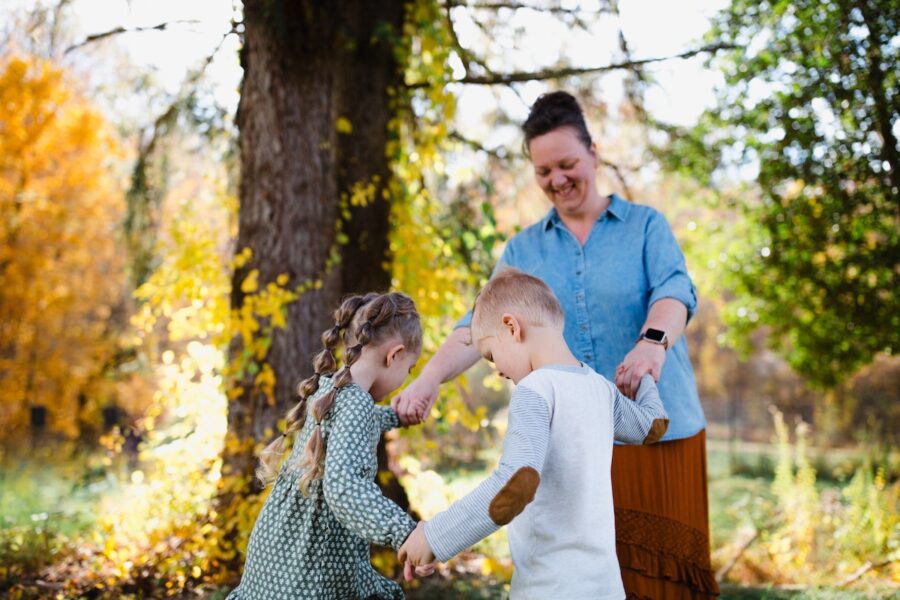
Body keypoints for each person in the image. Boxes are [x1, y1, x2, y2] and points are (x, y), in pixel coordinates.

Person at [395, 91, 719, 598]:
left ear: (592, 152)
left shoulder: (645, 225)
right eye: (543, 171)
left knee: (661, 580)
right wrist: (428, 380)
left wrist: (651, 346)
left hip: (656, 433)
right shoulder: (524, 249)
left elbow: (675, 292)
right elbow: (475, 325)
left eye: (567, 163)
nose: (558, 180)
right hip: (572, 447)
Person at [398, 269, 669, 599]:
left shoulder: (535, 389)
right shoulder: (599, 388)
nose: (496, 370)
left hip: (550, 588)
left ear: (512, 328)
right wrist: (644, 379)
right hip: (605, 587)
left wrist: (434, 537)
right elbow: (651, 425)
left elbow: (514, 485)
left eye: (491, 355)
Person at [227, 292, 426, 600]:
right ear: (395, 355)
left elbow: (347, 429)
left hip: (278, 551)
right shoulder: (356, 403)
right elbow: (344, 489)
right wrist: (406, 532)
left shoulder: (331, 388)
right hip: (309, 566)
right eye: (409, 369)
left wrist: (394, 417)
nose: (405, 377)